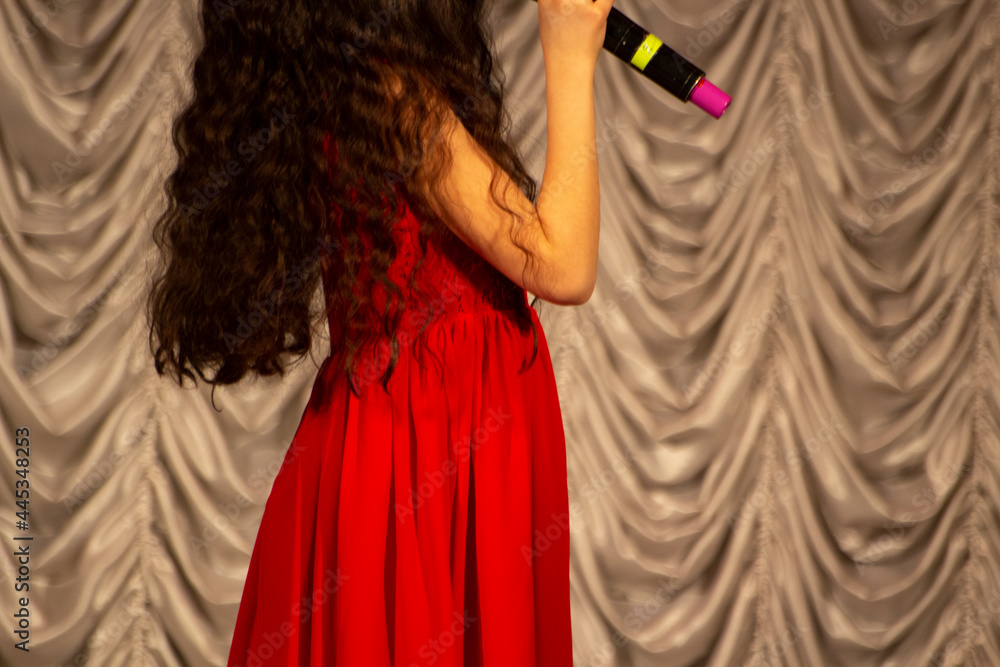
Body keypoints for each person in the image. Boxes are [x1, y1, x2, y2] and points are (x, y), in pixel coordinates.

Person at [146, 0, 613, 663]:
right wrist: (569, 55)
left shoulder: (363, 92)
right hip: (423, 450)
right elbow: (561, 263)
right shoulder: (393, 97)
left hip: (406, 440)